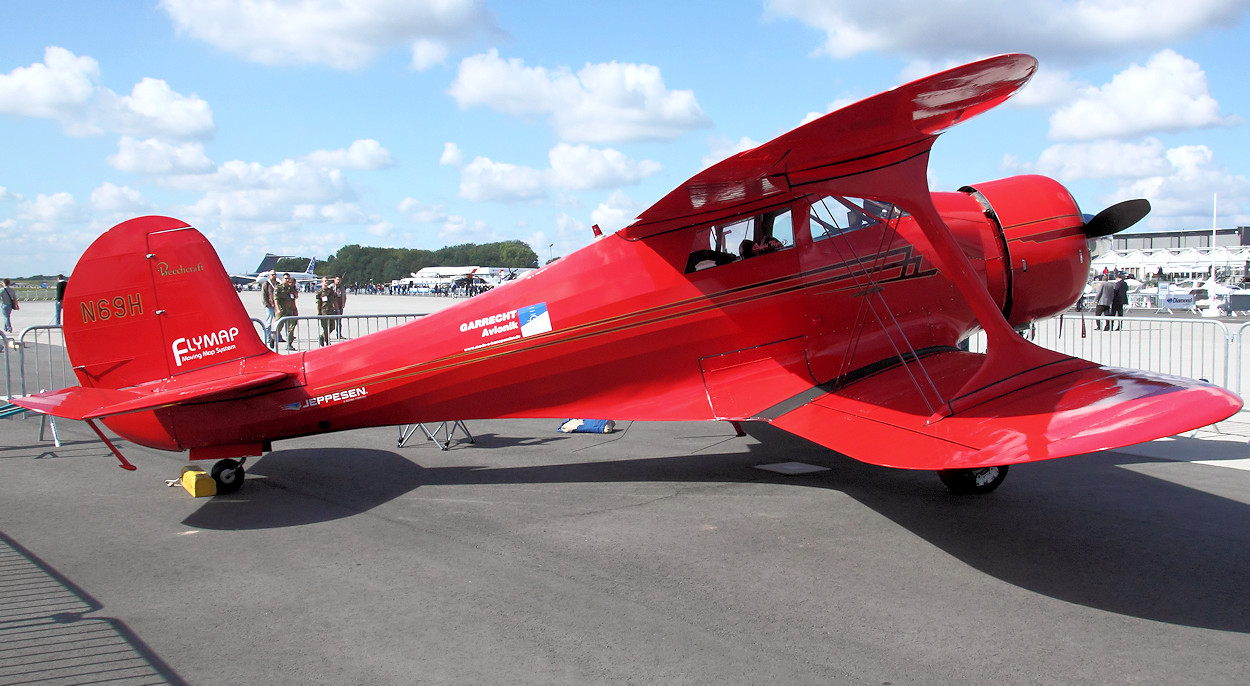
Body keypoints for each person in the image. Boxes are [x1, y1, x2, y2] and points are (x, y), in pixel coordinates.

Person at [274, 273, 299, 351]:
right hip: (281, 311)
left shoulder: (291, 289)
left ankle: (289, 344)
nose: (287, 280)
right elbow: (276, 299)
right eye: (286, 278)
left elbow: (295, 298)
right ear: (282, 279)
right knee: (278, 328)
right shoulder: (278, 288)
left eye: (288, 278)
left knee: (291, 328)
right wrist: (278, 309)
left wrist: (295, 310)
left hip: (290, 311)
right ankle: (272, 338)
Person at [260, 270, 279, 347]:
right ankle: (268, 336)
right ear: (269, 276)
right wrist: (267, 304)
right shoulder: (266, 284)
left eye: (275, 274)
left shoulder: (277, 284)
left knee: (278, 322)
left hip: (276, 306)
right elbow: (264, 295)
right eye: (272, 275)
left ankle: (277, 336)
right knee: (268, 322)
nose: (274, 276)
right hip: (269, 306)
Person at [315, 277, 335, 346]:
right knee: (325, 327)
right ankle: (327, 342)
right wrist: (318, 312)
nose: (326, 282)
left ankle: (322, 337)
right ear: (322, 282)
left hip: (331, 311)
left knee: (332, 327)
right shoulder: (319, 292)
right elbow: (318, 303)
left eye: (327, 281)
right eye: (325, 281)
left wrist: (337, 309)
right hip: (324, 311)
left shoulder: (331, 291)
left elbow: (334, 301)